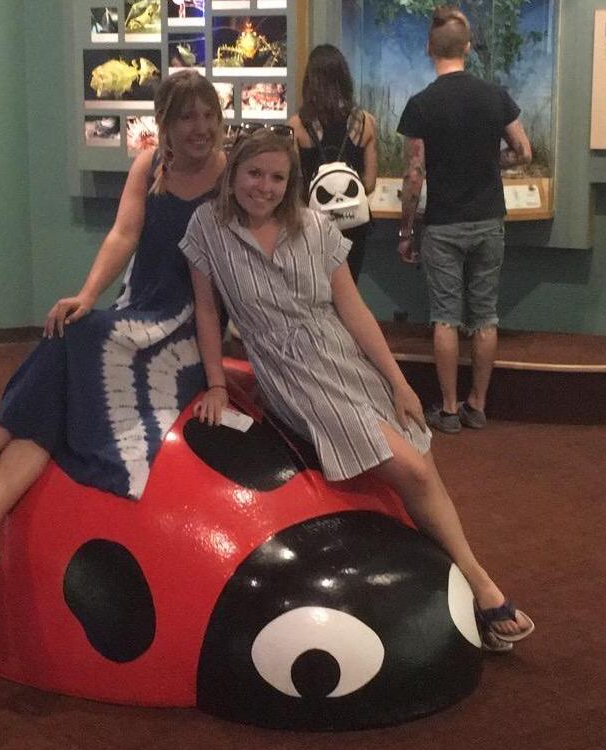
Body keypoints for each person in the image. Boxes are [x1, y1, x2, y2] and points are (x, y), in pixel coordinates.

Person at [180, 128, 534, 651]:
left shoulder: (316, 227)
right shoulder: (207, 226)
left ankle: (458, 592)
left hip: (343, 358)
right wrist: (215, 382)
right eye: (254, 173)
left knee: (420, 460)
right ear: (233, 174)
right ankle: (481, 586)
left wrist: (398, 382)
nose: (264, 187)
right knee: (413, 470)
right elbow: (207, 311)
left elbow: (353, 310)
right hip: (292, 376)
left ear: (291, 182)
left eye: (277, 177)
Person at [0, 70, 226, 574]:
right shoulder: (149, 166)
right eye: (188, 117)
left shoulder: (231, 175)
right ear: (164, 123)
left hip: (185, 325)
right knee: (66, 349)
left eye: (208, 115)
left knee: (75, 338)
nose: (200, 128)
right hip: (138, 308)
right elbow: (123, 235)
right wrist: (88, 294)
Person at [396, 5, 532, 434]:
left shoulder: (421, 104)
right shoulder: (495, 96)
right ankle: (478, 404)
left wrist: (406, 230)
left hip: (443, 224)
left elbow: (414, 174)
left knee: (445, 317)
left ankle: (450, 408)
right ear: (468, 48)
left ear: (429, 48)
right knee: (485, 317)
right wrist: (492, 161)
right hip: (489, 219)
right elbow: (524, 151)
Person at [288, 44, 377, 283]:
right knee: (349, 288)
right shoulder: (365, 122)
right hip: (354, 223)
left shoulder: (297, 125)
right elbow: (369, 183)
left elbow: (293, 182)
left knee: (316, 289)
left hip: (314, 224)